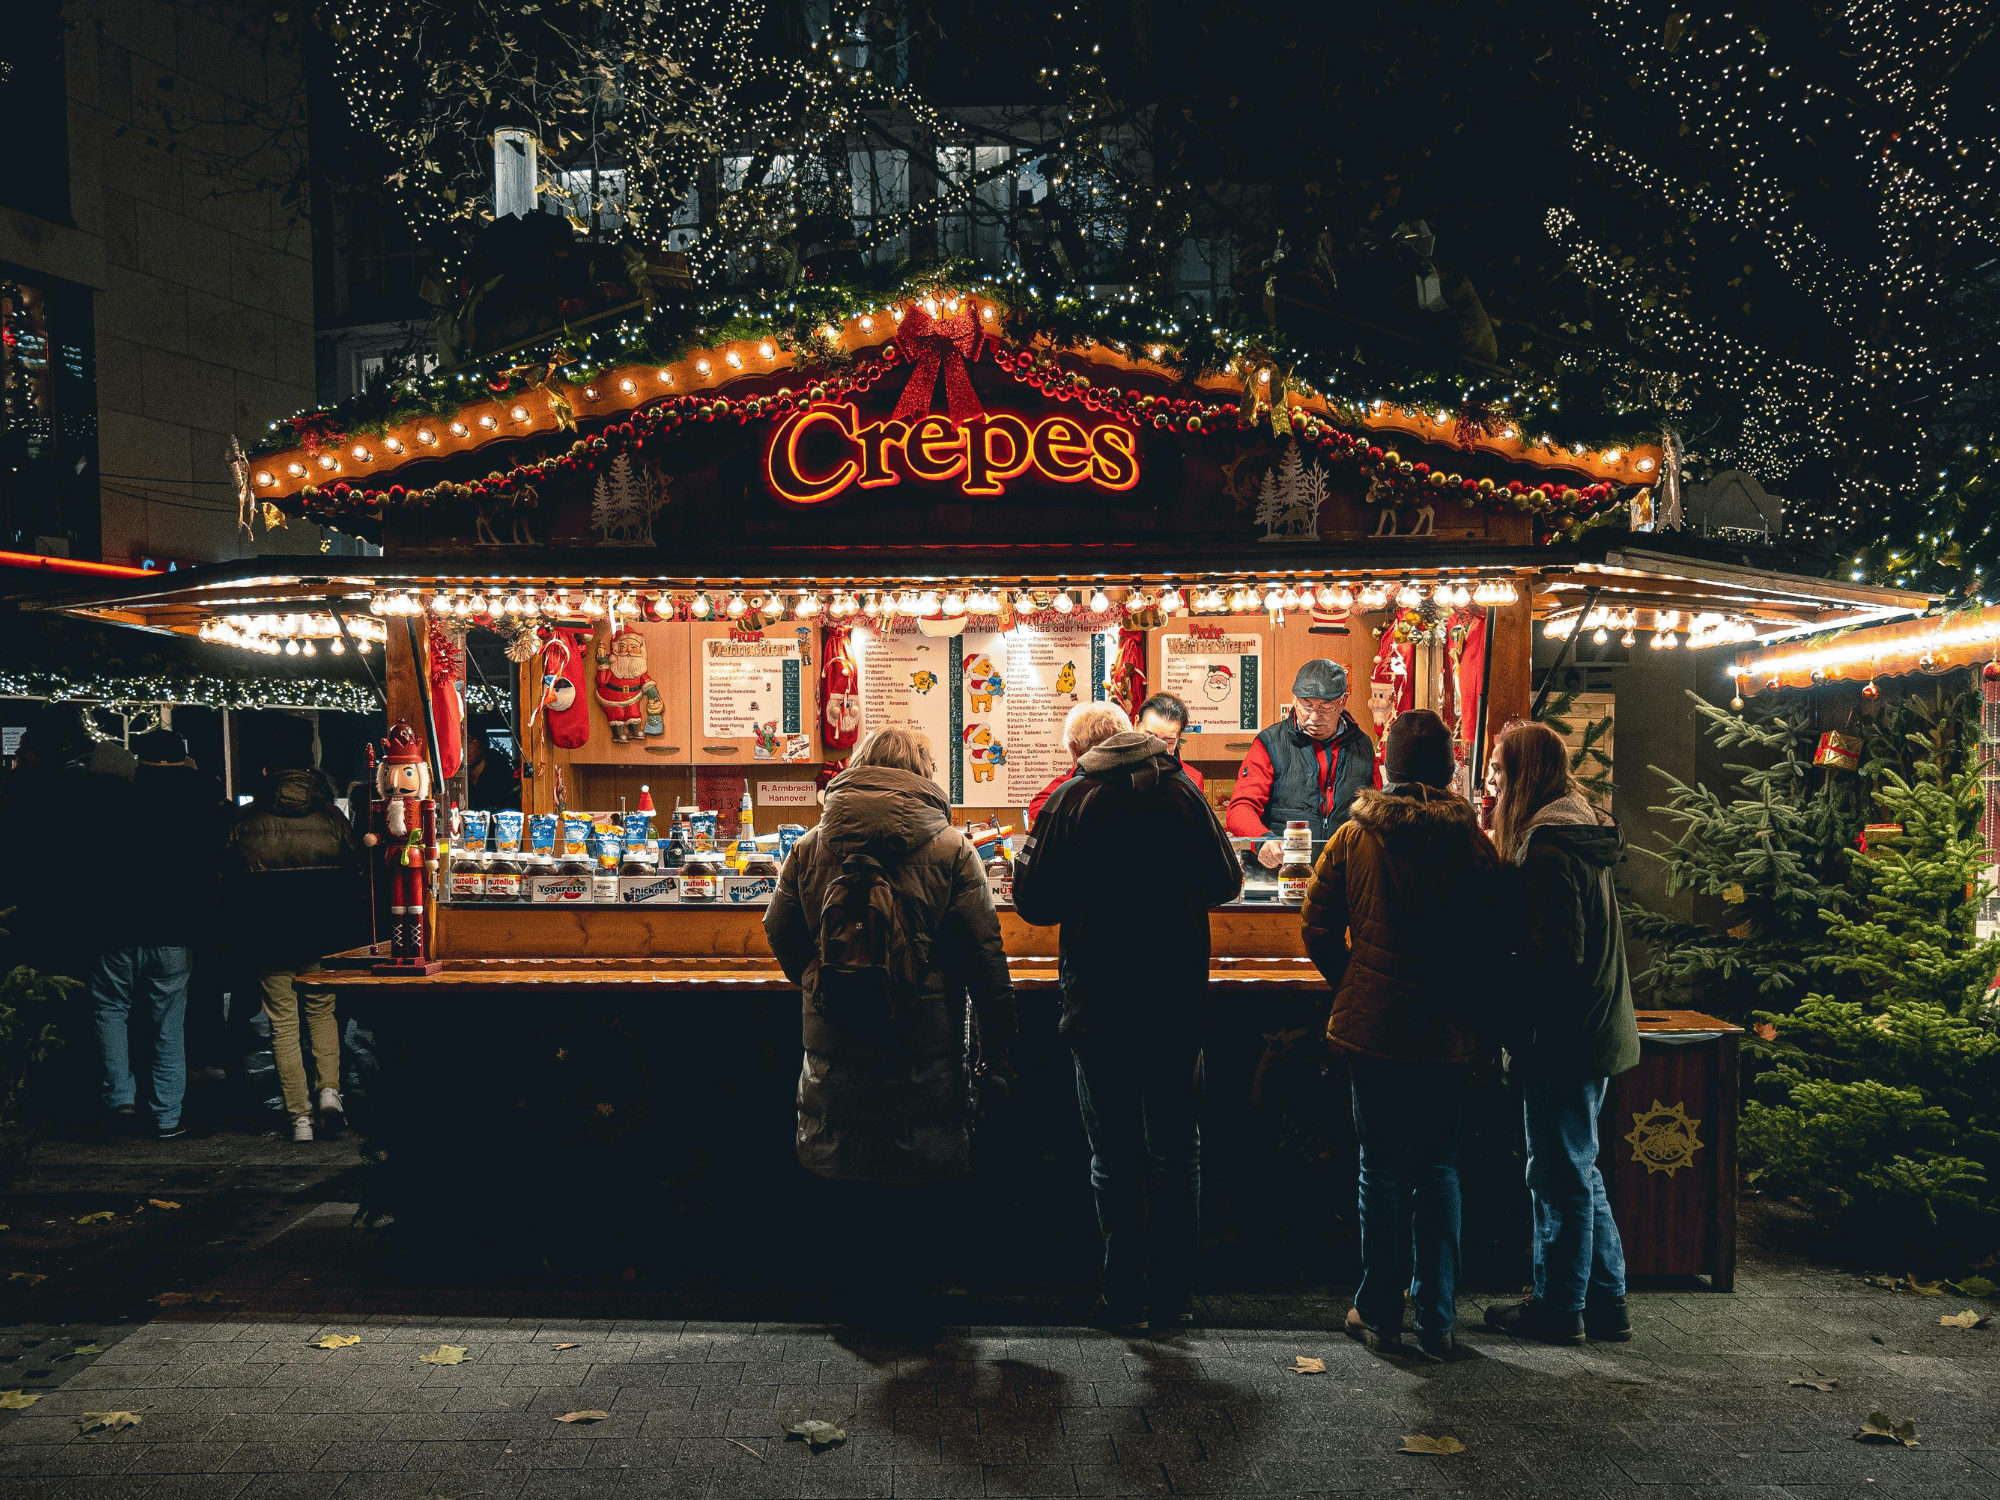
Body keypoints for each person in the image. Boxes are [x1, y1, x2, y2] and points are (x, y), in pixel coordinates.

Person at [763, 727, 1015, 1309]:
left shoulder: (811, 844)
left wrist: (817, 979)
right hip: (922, 1036)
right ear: (924, 772)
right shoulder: (952, 847)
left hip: (834, 1033)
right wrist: (1000, 1041)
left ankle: (856, 1296)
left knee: (845, 1157)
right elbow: (984, 955)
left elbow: (778, 929)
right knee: (915, 1163)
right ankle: (915, 1298)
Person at [1012, 702, 1242, 1330]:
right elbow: (1227, 881)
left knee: (1113, 1154)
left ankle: (1122, 1296)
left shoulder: (1073, 800)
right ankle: (1173, 1297)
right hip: (1175, 1001)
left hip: (1100, 1003)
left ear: (1082, 751)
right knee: (1176, 1150)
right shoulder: (1184, 795)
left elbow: (1033, 901)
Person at [1300, 710, 1497, 1357]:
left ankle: (1380, 1310)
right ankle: (1439, 1319)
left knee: (1380, 1169)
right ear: (1446, 769)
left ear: (1386, 765)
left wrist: (1353, 980)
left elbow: (1316, 925)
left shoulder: (1356, 835)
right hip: (1448, 1031)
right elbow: (1499, 936)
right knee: (1440, 1167)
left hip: (1376, 1030)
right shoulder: (1472, 841)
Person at [1482, 721, 1640, 1346]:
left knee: (1556, 1172)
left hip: (1563, 1035)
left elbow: (1553, 960)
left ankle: (1560, 1304)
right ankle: (1606, 1298)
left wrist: (1515, 1020)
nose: (1492, 788)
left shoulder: (1546, 851)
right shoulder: (1581, 832)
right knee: (1580, 1164)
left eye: (1497, 774)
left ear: (1522, 776)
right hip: (1595, 1025)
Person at [223, 717, 367, 1144]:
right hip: (324, 934)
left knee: (282, 1024)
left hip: (267, 938)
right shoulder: (331, 819)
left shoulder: (244, 821)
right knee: (322, 1014)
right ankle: (329, 1092)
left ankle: (299, 1118)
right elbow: (355, 876)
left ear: (266, 770)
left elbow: (226, 882)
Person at [88, 729, 224, 1140]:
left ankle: (121, 1102)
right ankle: (167, 1117)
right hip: (174, 930)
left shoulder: (111, 799)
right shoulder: (203, 802)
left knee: (110, 1010)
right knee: (169, 1024)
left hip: (117, 926)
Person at [1226, 659, 1375, 868]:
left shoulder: (1363, 745)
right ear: (1294, 699)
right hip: (1282, 870)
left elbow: (1378, 812)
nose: (1314, 716)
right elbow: (1240, 808)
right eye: (1307, 706)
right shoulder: (1270, 742)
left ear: (1343, 702)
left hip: (1345, 873)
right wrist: (1263, 840)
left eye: (1325, 707)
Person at [1027, 693, 1205, 824]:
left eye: (1167, 741)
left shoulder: (1191, 778)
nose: (1156, 745)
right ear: (1135, 724)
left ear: (1179, 738)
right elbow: (1041, 805)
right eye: (1150, 735)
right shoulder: (1102, 764)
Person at [465, 737, 519, 812]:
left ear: (482, 744)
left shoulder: (503, 778)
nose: (464, 745)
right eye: (459, 739)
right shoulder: (454, 780)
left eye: (469, 740)